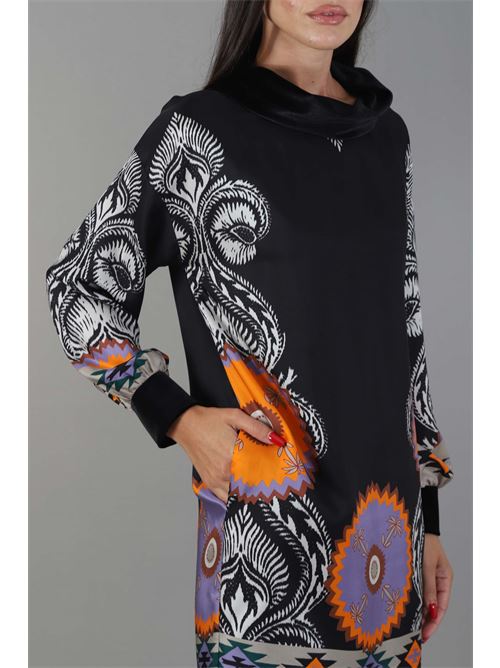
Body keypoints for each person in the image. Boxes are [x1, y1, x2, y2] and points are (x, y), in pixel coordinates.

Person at [45, 1, 455, 665]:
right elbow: (80, 285)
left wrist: (429, 522)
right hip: (265, 548)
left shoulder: (387, 136)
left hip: (389, 542)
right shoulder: (199, 132)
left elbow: (403, 330)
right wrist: (177, 416)